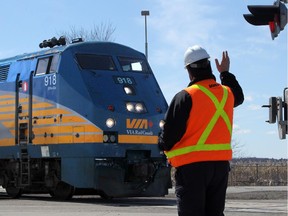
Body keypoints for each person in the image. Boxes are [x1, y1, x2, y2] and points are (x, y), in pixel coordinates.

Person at [158, 45, 244, 216]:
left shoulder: (185, 96)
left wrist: (161, 144)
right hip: (220, 168)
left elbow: (168, 138)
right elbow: (239, 96)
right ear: (209, 65)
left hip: (191, 169)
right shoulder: (226, 94)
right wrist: (225, 73)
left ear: (189, 71)